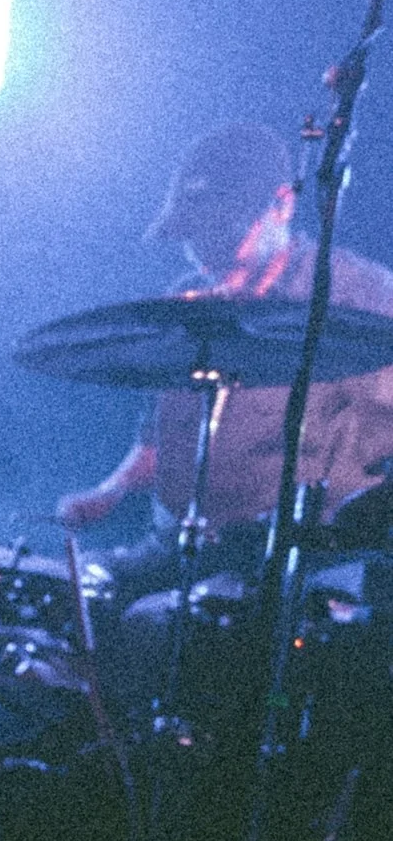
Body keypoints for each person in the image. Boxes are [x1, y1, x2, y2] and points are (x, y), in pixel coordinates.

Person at [56, 122, 393, 698]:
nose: (206, 250)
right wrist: (109, 490)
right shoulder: (195, 300)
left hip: (287, 557)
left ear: (282, 205)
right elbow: (160, 436)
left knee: (155, 628)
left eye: (224, 230)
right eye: (194, 232)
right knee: (75, 597)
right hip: (179, 541)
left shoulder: (358, 301)